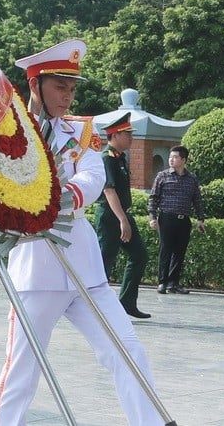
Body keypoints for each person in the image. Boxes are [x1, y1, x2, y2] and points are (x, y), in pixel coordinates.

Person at [0, 39, 160, 425]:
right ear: (35, 86)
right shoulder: (9, 131)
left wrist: (50, 197)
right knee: (22, 370)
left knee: (127, 351)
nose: (68, 97)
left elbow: (93, 175)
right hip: (36, 268)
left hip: (84, 268)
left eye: (72, 89)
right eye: (59, 88)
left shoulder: (82, 132)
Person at [95, 113, 151, 318]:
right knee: (105, 261)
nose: (131, 138)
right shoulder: (106, 159)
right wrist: (122, 220)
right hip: (111, 217)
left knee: (139, 255)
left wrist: (124, 218)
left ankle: (127, 302)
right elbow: (109, 191)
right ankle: (95, 307)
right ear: (115, 135)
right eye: (127, 134)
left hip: (122, 215)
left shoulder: (121, 158)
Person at [150, 145, 205, 295]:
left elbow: (197, 200)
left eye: (175, 157)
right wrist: (152, 217)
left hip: (184, 220)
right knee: (165, 250)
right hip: (167, 218)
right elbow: (153, 198)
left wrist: (200, 219)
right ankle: (162, 282)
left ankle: (173, 283)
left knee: (179, 252)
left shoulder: (191, 178)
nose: (171, 160)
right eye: (170, 157)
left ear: (183, 160)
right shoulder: (162, 176)